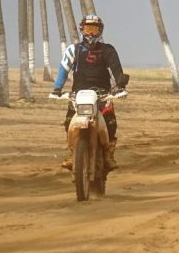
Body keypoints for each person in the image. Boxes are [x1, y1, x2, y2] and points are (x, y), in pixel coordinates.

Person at [50, 14, 126, 171]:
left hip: (103, 94)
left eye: (94, 29)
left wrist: (120, 85)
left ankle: (108, 154)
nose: (91, 33)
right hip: (78, 94)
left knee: (111, 121)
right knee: (68, 121)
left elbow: (116, 69)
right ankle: (73, 153)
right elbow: (63, 70)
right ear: (81, 30)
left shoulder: (108, 50)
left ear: (100, 31)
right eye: (87, 29)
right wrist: (57, 89)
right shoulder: (74, 50)